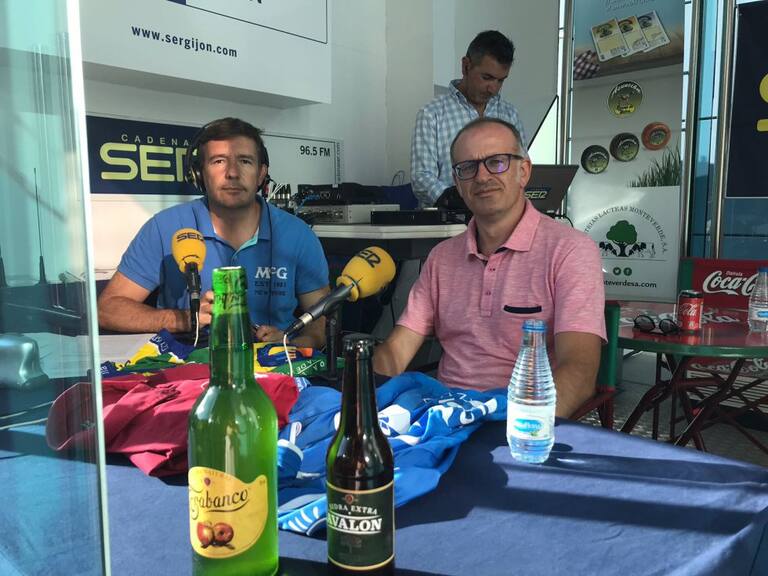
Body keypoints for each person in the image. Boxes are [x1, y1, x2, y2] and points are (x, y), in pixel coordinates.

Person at [375, 118, 606, 417]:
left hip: (523, 420)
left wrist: (520, 430)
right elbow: (396, 351)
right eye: (468, 167)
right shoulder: (441, 258)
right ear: (458, 183)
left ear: (523, 171)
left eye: (497, 162)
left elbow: (579, 370)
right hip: (448, 418)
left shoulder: (571, 251)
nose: (482, 177)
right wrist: (362, 403)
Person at [97, 117, 330, 348]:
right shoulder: (164, 227)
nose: (232, 173)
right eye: (219, 161)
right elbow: (107, 309)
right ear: (199, 174)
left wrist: (290, 342)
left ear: (261, 174)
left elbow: (321, 324)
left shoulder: (298, 235)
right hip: (186, 364)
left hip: (275, 363)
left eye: (245, 161)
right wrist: (185, 319)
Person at [410, 30, 527, 207]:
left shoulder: (510, 115)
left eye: (500, 81)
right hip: (449, 219)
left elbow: (519, 169)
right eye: (487, 78)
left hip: (500, 217)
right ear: (466, 66)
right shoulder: (432, 114)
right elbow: (421, 178)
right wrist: (454, 199)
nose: (493, 89)